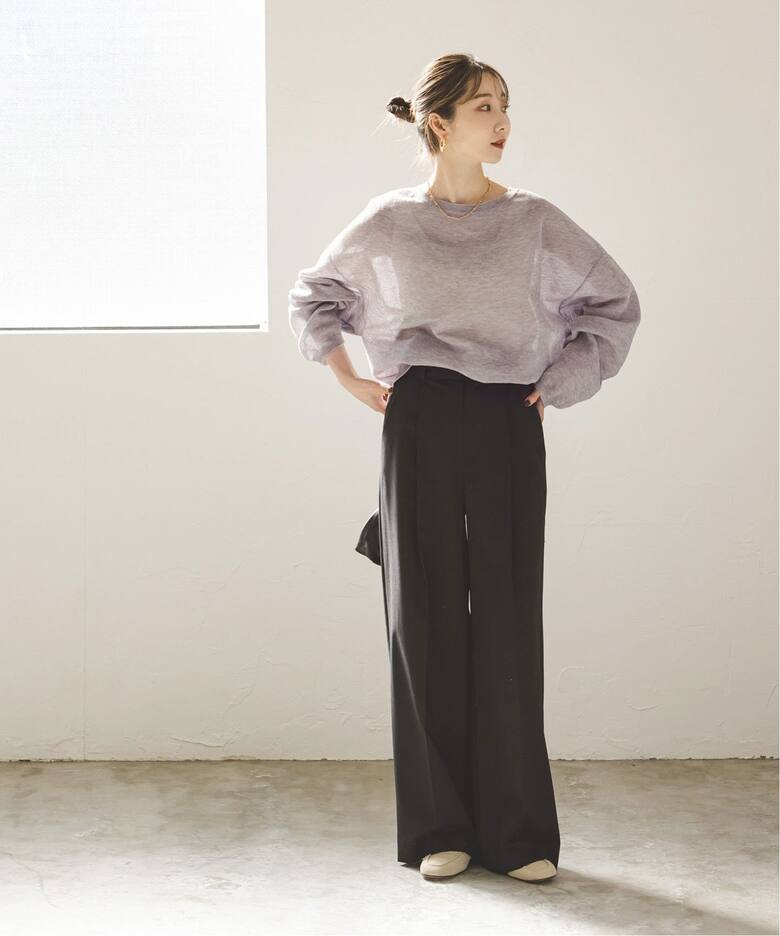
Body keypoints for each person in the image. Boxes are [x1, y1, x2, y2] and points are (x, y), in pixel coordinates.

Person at [288, 52, 641, 883]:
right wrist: (349, 377)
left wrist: (560, 383)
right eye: (484, 106)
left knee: (508, 614)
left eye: (506, 104)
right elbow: (316, 296)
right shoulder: (389, 221)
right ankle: (438, 827)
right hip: (418, 417)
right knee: (424, 615)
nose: (502, 120)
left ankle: (519, 833)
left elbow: (614, 305)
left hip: (508, 417)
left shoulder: (536, 221)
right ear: (438, 123)